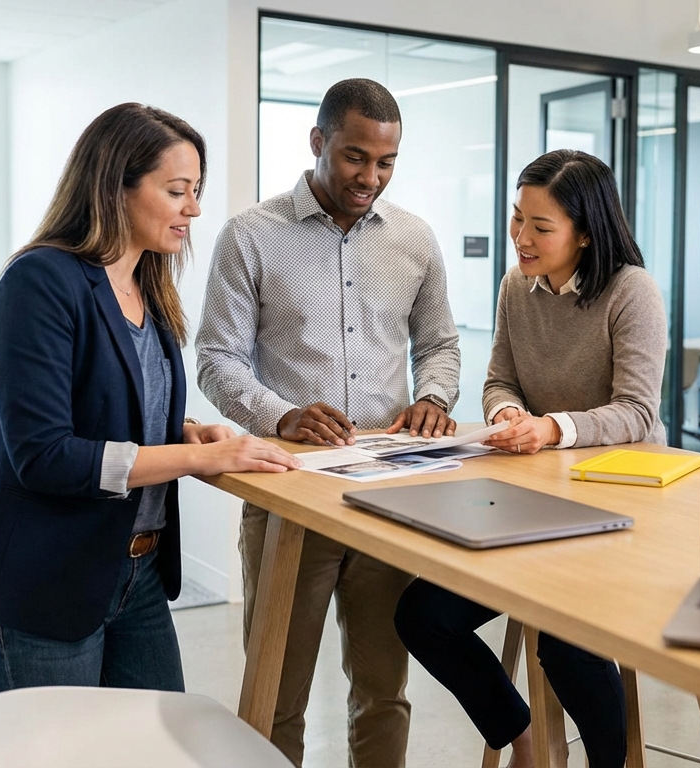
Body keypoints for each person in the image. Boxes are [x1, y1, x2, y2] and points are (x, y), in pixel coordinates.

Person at [0, 103, 301, 698]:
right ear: (116, 187)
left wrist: (184, 431)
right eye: (177, 190)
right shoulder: (39, 282)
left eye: (196, 190)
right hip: (40, 581)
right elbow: (46, 454)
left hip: (137, 574)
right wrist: (198, 460)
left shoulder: (146, 286)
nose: (195, 208)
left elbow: (113, 403)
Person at [196, 78, 460, 767]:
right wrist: (281, 416)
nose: (369, 177)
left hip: (389, 498)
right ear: (317, 142)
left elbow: (439, 344)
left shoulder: (414, 240)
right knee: (276, 692)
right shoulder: (249, 237)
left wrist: (433, 393)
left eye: (385, 162)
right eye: (353, 157)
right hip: (293, 497)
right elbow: (217, 359)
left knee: (383, 689)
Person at [393, 149, 667, 768]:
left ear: (587, 234)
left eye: (540, 227)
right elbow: (499, 381)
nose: (521, 238)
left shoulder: (632, 292)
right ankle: (527, 739)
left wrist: (551, 427)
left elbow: (638, 413)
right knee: (423, 615)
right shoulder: (517, 286)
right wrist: (509, 415)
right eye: (518, 220)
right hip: (532, 505)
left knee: (566, 647)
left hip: (615, 511)